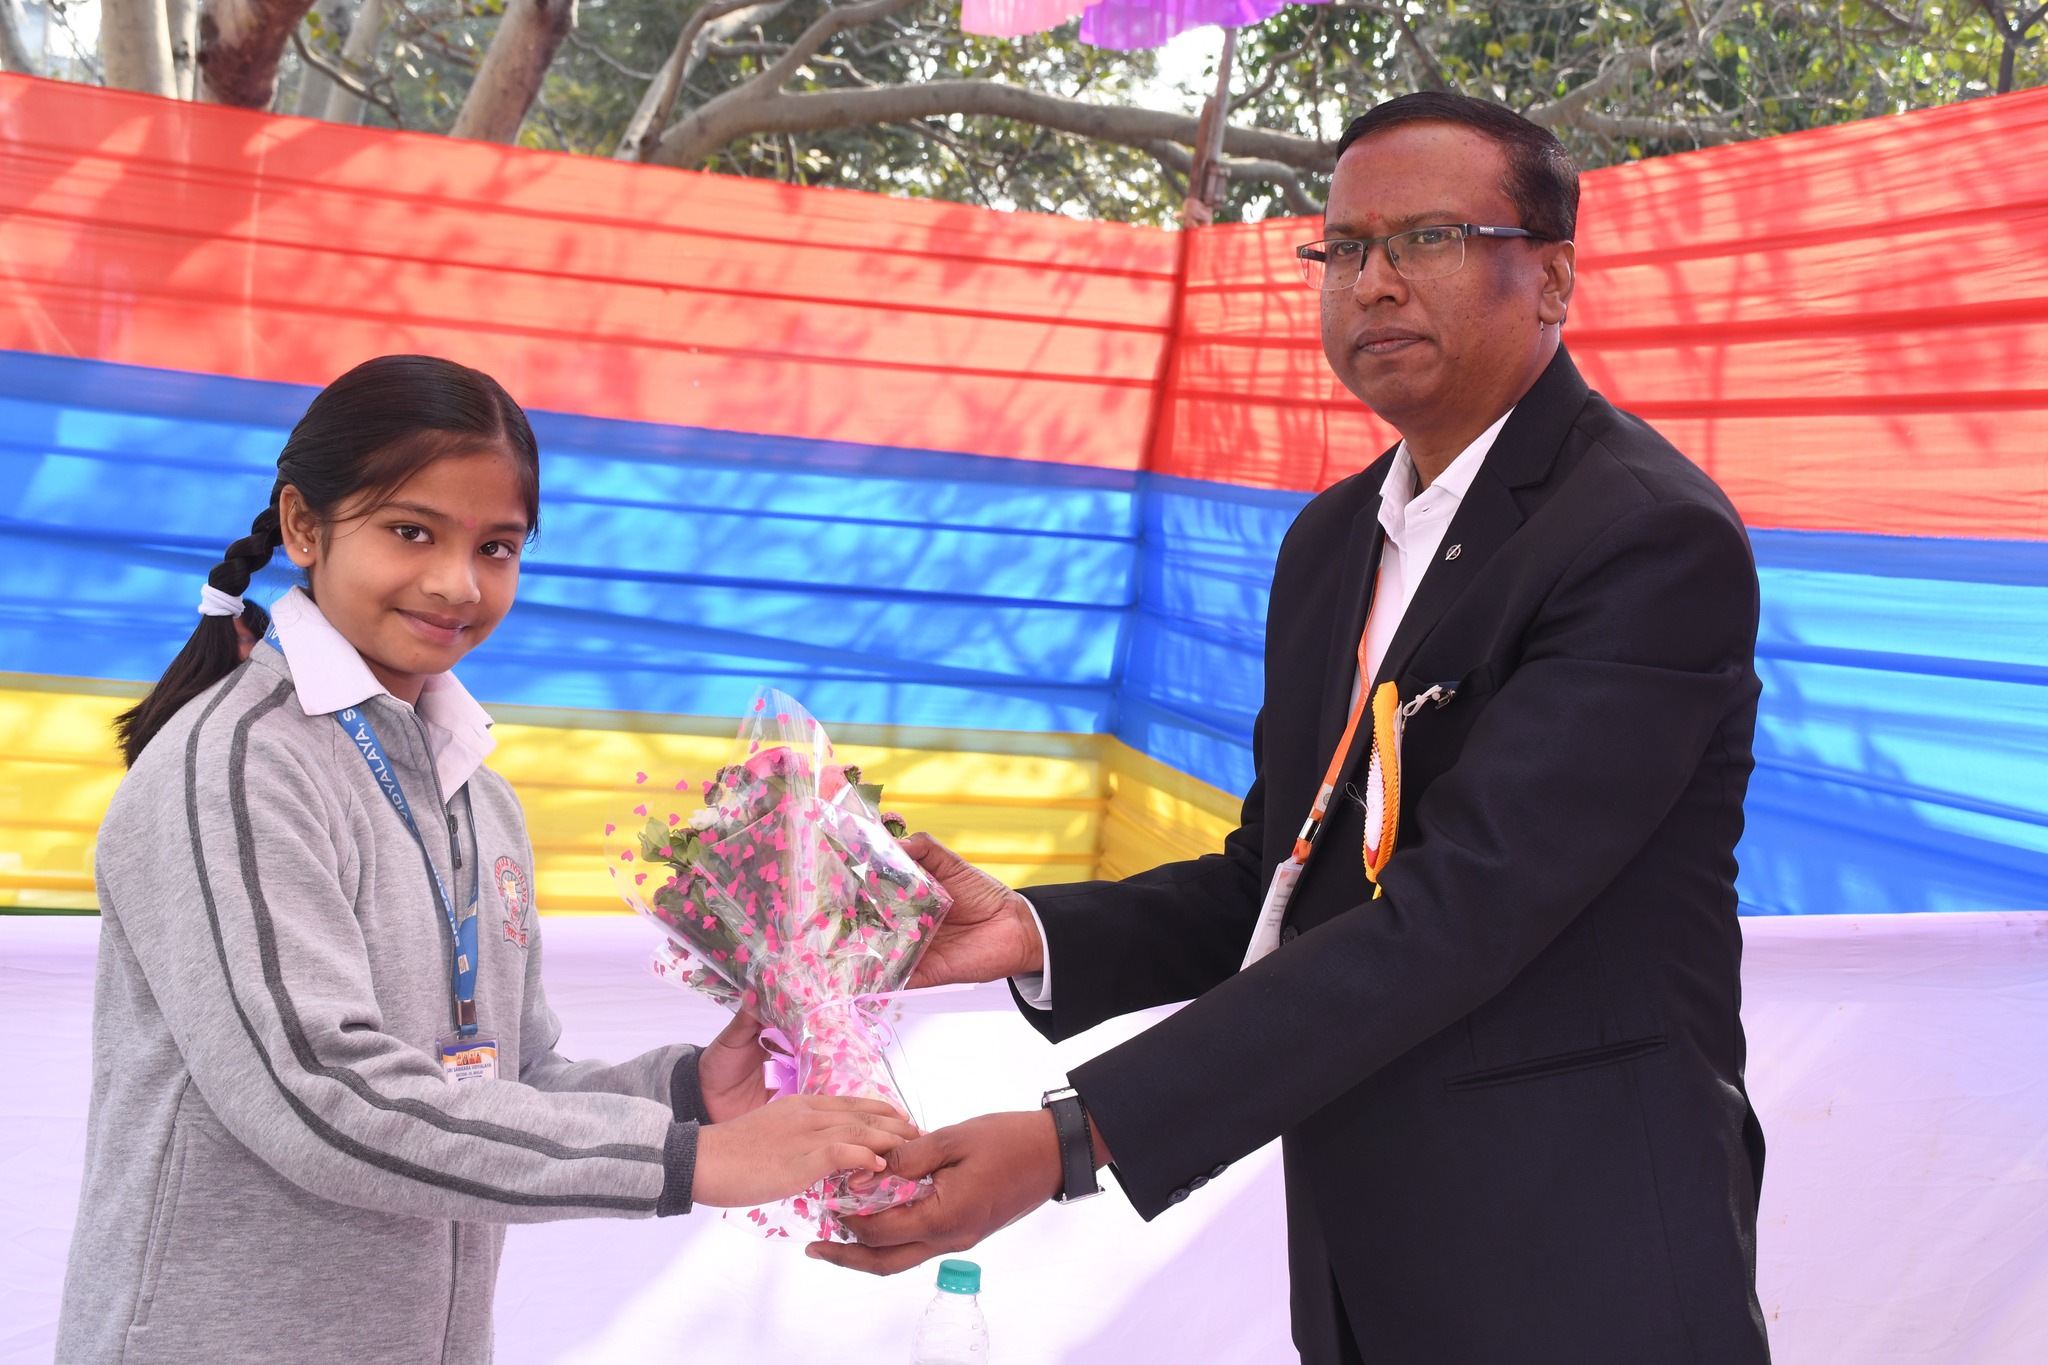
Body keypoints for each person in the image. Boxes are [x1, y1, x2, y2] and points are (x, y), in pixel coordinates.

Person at [813, 93, 1772, 1365]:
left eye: (1427, 238)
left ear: (1549, 277)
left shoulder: (1641, 536)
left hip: (1578, 1238)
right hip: (1361, 1236)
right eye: (1343, 248)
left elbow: (1456, 916)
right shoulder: (1331, 541)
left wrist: (1069, 1140)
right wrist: (1031, 933)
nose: (1372, 283)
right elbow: (1279, 877)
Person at [61, 355, 916, 1364]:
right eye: (410, 531)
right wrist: (691, 1159)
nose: (457, 583)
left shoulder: (477, 792)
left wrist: (687, 1095)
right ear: (302, 526)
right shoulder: (240, 766)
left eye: (496, 546)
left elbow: (508, 1077)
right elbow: (321, 1092)